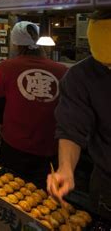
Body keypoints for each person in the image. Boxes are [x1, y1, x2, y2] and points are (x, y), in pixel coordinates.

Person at [47, 13, 111, 220]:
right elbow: (71, 126)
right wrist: (65, 168)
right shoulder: (80, 77)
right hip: (106, 180)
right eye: (106, 65)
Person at [0, 21, 68, 183]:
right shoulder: (62, 70)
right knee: (41, 197)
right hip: (49, 146)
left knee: (9, 190)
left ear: (16, 44)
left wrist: (2, 122)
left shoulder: (7, 67)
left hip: (14, 143)